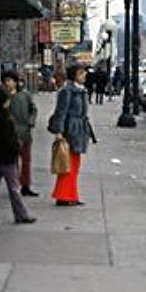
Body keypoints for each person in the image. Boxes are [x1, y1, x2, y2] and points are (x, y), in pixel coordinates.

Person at [0, 86, 36, 226]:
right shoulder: (7, 119)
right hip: (8, 159)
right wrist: (17, 148)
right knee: (14, 188)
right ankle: (21, 215)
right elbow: (11, 140)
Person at [48, 63, 93, 206]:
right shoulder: (67, 91)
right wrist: (59, 132)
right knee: (68, 164)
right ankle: (64, 195)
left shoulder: (82, 90)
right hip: (71, 130)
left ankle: (71, 194)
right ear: (74, 75)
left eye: (84, 72)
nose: (84, 75)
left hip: (79, 130)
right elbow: (60, 113)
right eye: (81, 73)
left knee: (74, 164)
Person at [2, 70, 39, 197]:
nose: (7, 83)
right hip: (10, 134)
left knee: (26, 161)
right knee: (13, 162)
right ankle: (15, 185)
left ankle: (26, 185)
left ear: (16, 82)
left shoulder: (25, 95)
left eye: (9, 80)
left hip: (25, 132)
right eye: (5, 81)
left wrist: (31, 122)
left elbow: (33, 109)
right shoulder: (4, 96)